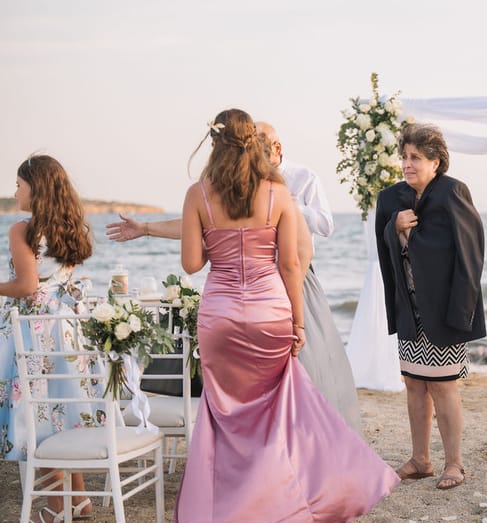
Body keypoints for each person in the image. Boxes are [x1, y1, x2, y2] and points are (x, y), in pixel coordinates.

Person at [173, 109, 397, 523]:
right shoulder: (278, 193)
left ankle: (229, 506)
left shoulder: (197, 194)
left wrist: (213, 240)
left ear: (215, 144)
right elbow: (291, 264)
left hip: (219, 317)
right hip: (269, 311)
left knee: (226, 413)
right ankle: (277, 502)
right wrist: (297, 323)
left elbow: (191, 263)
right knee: (275, 411)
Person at [105, 121, 362, 433]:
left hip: (238, 306)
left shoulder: (217, 191)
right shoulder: (267, 193)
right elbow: (291, 261)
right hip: (272, 303)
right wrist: (147, 228)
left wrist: (225, 251)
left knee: (250, 397)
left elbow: (295, 258)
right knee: (273, 395)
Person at [375, 123, 485, 490]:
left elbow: (471, 254)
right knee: (413, 384)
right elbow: (383, 251)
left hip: (446, 309)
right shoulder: (391, 199)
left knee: (443, 386)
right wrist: (394, 226)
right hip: (409, 307)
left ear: (436, 162)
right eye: (404, 157)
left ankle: (454, 464)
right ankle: (421, 459)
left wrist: (462, 313)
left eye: (416, 158)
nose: (407, 164)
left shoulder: (453, 192)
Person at [0, 155, 97, 523]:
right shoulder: (68, 228)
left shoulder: (21, 230)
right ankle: (80, 499)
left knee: (39, 413)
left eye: (19, 185)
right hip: (66, 328)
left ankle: (58, 505)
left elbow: (26, 287)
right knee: (62, 409)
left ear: (35, 189)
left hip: (35, 332)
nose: (15, 191)